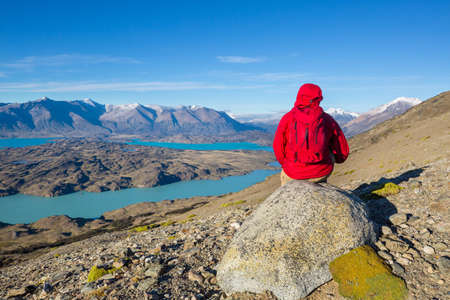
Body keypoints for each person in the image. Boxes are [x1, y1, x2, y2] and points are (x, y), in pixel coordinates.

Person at [273, 83, 349, 186]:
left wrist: (287, 164)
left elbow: (278, 145)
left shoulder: (288, 118)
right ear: (318, 99)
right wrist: (338, 159)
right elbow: (342, 148)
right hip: (320, 172)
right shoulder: (327, 119)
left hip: (292, 173)